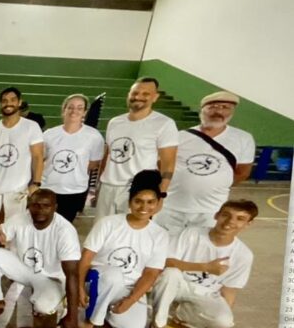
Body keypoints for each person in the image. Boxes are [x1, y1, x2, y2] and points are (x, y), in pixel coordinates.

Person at [79, 170, 168, 328]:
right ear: (129, 202)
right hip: (99, 280)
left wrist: (130, 300)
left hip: (128, 287)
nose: (144, 207)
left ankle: (104, 307)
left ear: (157, 204)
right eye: (138, 201)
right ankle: (92, 318)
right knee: (113, 275)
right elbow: (86, 257)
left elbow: (151, 273)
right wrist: (79, 288)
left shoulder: (160, 234)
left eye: (150, 202)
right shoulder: (108, 223)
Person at [152, 199, 256, 328]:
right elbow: (165, 262)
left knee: (223, 320)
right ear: (216, 215)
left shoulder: (243, 254)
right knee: (170, 273)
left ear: (248, 224)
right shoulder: (191, 234)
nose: (230, 221)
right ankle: (159, 322)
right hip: (178, 283)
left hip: (205, 292)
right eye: (226, 215)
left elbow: (229, 290)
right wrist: (205, 267)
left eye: (240, 219)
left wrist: (221, 327)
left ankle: (180, 311)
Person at [0, 189, 81, 328]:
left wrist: (73, 318)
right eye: (35, 205)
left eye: (46, 205)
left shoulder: (65, 231)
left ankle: (58, 299)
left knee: (43, 307)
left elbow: (72, 274)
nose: (40, 210)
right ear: (29, 205)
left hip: (51, 278)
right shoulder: (20, 218)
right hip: (25, 269)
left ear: (55, 207)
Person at [156, 91, 255, 233]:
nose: (219, 111)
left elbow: (243, 172)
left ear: (232, 112)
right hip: (171, 207)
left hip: (211, 210)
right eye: (213, 107)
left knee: (202, 251)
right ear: (201, 110)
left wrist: (213, 184)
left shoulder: (243, 138)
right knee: (164, 248)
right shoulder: (180, 136)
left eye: (225, 107)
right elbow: (162, 166)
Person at [96, 77, 178, 221]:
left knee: (129, 234)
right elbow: (108, 155)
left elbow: (168, 163)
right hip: (108, 188)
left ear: (155, 97)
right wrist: (99, 186)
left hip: (137, 191)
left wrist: (161, 194)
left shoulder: (164, 124)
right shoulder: (115, 122)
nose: (138, 97)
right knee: (102, 231)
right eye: (135, 93)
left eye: (145, 94)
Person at [0, 87, 44, 246]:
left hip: (17, 189)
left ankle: (11, 262)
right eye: (4, 101)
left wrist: (36, 183)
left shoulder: (31, 127)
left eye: (12, 100)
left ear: (19, 102)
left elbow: (38, 157)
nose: (8, 104)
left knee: (13, 231)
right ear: (0, 104)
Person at [42, 94, 104, 223]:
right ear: (64, 110)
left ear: (85, 112)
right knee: (42, 224)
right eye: (70, 107)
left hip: (74, 190)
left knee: (63, 227)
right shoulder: (49, 134)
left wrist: (73, 174)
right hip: (48, 188)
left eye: (79, 108)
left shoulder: (93, 136)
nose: (74, 111)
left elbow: (93, 164)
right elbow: (41, 159)